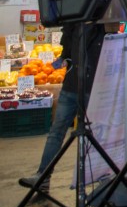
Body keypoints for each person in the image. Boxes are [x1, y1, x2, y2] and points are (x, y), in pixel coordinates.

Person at [19, 21, 107, 193]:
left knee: (97, 135)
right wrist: (62, 60)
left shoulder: (105, 20)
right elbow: (66, 48)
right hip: (71, 85)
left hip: (95, 86)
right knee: (56, 131)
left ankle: (103, 182)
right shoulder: (73, 20)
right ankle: (43, 177)